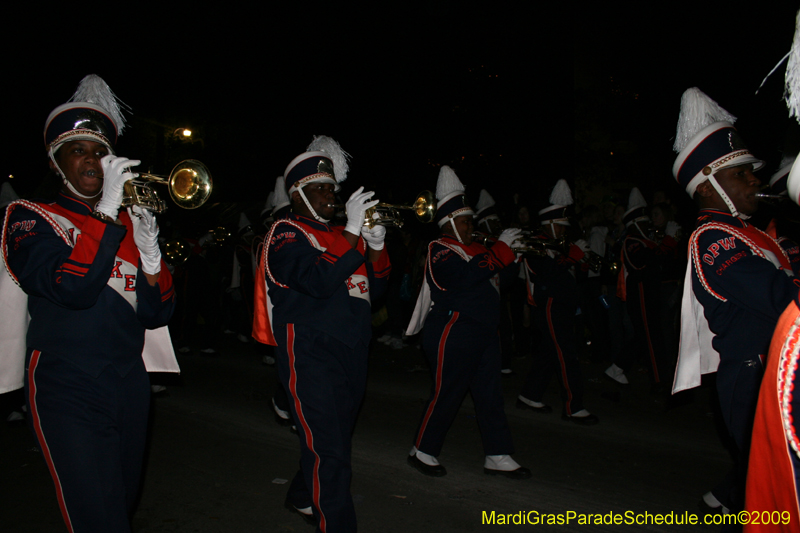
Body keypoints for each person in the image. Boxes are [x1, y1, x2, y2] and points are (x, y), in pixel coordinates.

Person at [0, 75, 178, 532]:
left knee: (119, 502)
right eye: (78, 149)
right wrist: (105, 215)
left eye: (100, 151)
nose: (92, 159)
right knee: (97, 515)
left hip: (128, 380)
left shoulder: (123, 224)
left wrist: (151, 251)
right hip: (65, 379)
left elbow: (156, 314)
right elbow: (71, 288)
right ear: (56, 161)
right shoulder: (29, 217)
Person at [253, 136, 390, 532]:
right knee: (330, 449)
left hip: (352, 347)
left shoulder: (346, 237)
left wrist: (376, 247)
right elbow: (315, 279)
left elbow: (372, 292)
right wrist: (351, 233)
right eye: (320, 188)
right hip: (310, 349)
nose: (330, 195)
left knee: (333, 438)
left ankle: (301, 495)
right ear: (298, 195)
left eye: (332, 188)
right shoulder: (284, 232)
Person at [671, 87, 798, 516]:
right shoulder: (712, 238)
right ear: (707, 189)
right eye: (740, 174)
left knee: (766, 492)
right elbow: (780, 297)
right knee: (772, 496)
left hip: (772, 370)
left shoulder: (755, 236)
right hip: (754, 375)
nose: (754, 181)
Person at [405, 165, 531, 479]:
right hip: (454, 330)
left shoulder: (478, 248)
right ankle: (422, 449)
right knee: (448, 391)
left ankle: (497, 453)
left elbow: (503, 278)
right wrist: (500, 251)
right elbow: (462, 278)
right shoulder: (439, 249)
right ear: (448, 223)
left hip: (485, 332)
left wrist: (513, 256)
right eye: (465, 221)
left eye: (470, 220)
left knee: (490, 394)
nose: (470, 225)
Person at [516, 179, 599, 425]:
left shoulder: (559, 244)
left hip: (563, 304)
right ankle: (573, 406)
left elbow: (569, 275)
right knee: (566, 354)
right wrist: (571, 257)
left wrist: (581, 262)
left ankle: (529, 395)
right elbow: (545, 273)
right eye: (560, 226)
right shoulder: (534, 242)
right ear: (550, 224)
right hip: (550, 304)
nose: (564, 231)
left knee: (549, 353)